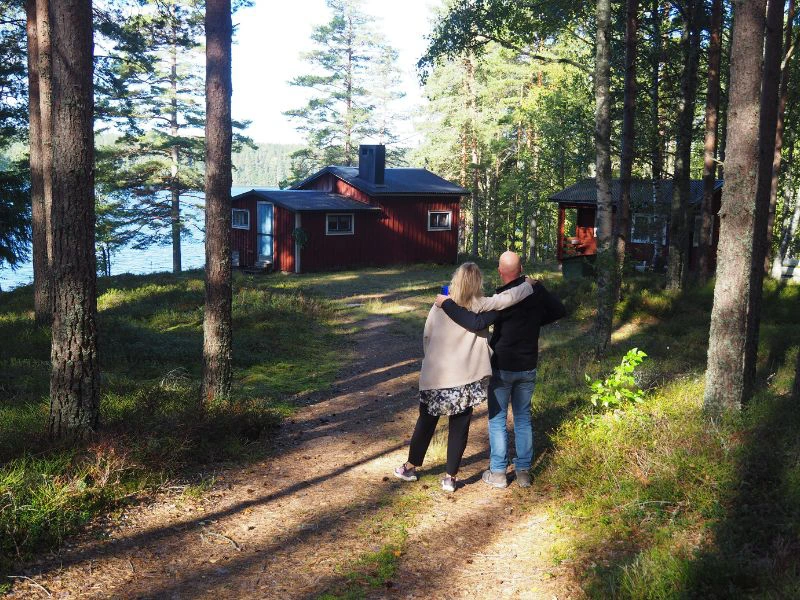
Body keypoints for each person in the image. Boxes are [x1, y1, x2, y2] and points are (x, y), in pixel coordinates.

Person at [393, 262, 537, 492]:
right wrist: (528, 285)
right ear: (477, 283)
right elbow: (507, 299)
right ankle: (450, 478)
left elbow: (427, 336)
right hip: (465, 378)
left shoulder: (440, 304)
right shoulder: (480, 304)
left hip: (436, 375)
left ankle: (409, 466)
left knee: (426, 422)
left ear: (456, 280)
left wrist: (430, 359)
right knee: (459, 427)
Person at [435, 251, 565, 489]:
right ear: (521, 268)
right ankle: (524, 472)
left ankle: (498, 473)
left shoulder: (500, 298)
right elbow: (559, 310)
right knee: (523, 417)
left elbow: (476, 320)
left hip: (502, 365)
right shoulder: (535, 291)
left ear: (499, 271)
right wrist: (536, 318)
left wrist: (447, 303)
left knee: (497, 419)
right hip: (528, 365)